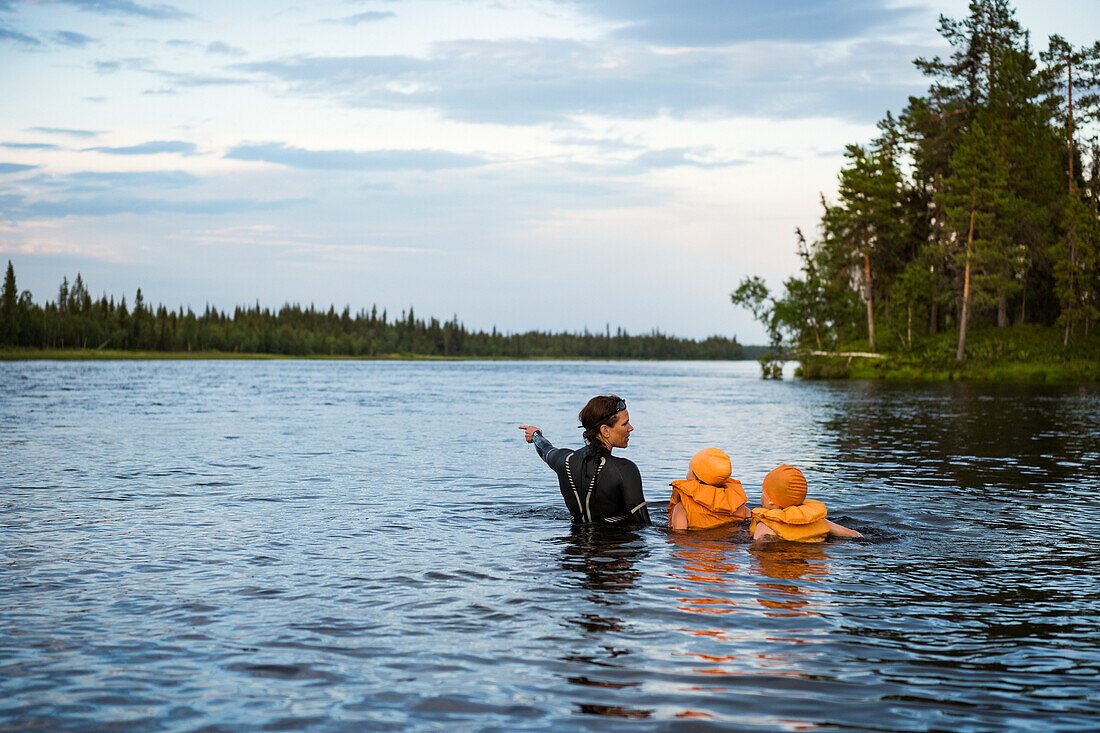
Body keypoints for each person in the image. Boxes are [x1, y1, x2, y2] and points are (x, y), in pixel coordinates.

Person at [519, 395, 651, 525]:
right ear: (605, 430)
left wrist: (535, 435)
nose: (630, 428)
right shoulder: (624, 469)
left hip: (574, 544)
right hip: (614, 544)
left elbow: (545, 449)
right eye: (625, 424)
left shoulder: (565, 461)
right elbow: (643, 525)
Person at [750, 465, 862, 542]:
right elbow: (854, 535)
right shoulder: (816, 520)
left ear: (770, 501)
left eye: (764, 492)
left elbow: (760, 550)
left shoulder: (765, 526)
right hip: (816, 553)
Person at [668, 448, 749, 530]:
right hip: (731, 539)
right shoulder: (737, 505)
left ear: (697, 478)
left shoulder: (682, 508)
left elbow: (679, 534)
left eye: (690, 469)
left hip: (697, 541)